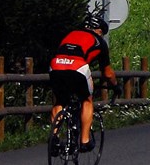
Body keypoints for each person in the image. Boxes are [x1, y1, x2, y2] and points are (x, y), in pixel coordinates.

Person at [49, 14, 117, 152]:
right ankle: (84, 140)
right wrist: (115, 86)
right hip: (78, 67)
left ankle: (54, 138)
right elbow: (108, 73)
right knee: (86, 100)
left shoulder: (71, 33)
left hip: (56, 65)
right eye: (102, 33)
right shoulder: (99, 42)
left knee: (60, 100)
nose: (102, 35)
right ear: (98, 30)